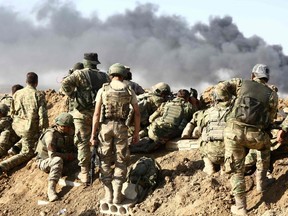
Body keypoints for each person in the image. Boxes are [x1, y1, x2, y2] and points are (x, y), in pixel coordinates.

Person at [222, 64, 278, 215]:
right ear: (266, 78)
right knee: (266, 148)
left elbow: (221, 88)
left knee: (237, 170)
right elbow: (271, 119)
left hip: (234, 133)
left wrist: (229, 102)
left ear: (253, 75)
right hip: (256, 136)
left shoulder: (241, 83)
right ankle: (262, 182)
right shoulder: (272, 95)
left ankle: (240, 208)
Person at [90, 63, 140, 204]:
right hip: (121, 127)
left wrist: (93, 135)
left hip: (105, 127)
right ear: (123, 74)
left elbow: (96, 114)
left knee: (105, 159)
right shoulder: (129, 90)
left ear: (111, 74)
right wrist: (136, 133)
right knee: (121, 159)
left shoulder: (103, 90)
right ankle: (118, 194)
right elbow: (137, 113)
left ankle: (108, 194)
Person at [61, 53, 109, 184]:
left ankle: (84, 173)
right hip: (99, 114)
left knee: (82, 142)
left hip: (81, 114)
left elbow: (65, 84)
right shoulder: (104, 76)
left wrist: (73, 95)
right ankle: (104, 168)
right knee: (99, 140)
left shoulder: (79, 74)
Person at [0, 72, 49, 176]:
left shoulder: (17, 93)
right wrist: (44, 131)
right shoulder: (39, 94)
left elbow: (12, 112)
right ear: (36, 83)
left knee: (27, 137)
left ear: (26, 82)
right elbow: (43, 117)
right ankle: (4, 165)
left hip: (16, 127)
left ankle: (15, 147)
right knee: (27, 153)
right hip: (28, 129)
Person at [182, 83, 233, 175]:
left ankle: (209, 167)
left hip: (211, 152)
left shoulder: (206, 113)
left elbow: (198, 131)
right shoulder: (235, 112)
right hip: (229, 153)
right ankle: (224, 167)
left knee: (202, 138)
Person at [35, 112, 77, 202]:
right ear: (58, 125)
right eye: (65, 127)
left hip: (64, 159)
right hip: (45, 161)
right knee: (57, 160)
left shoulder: (70, 130)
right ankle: (51, 189)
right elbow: (52, 155)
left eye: (69, 126)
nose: (68, 129)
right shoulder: (50, 135)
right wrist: (69, 156)